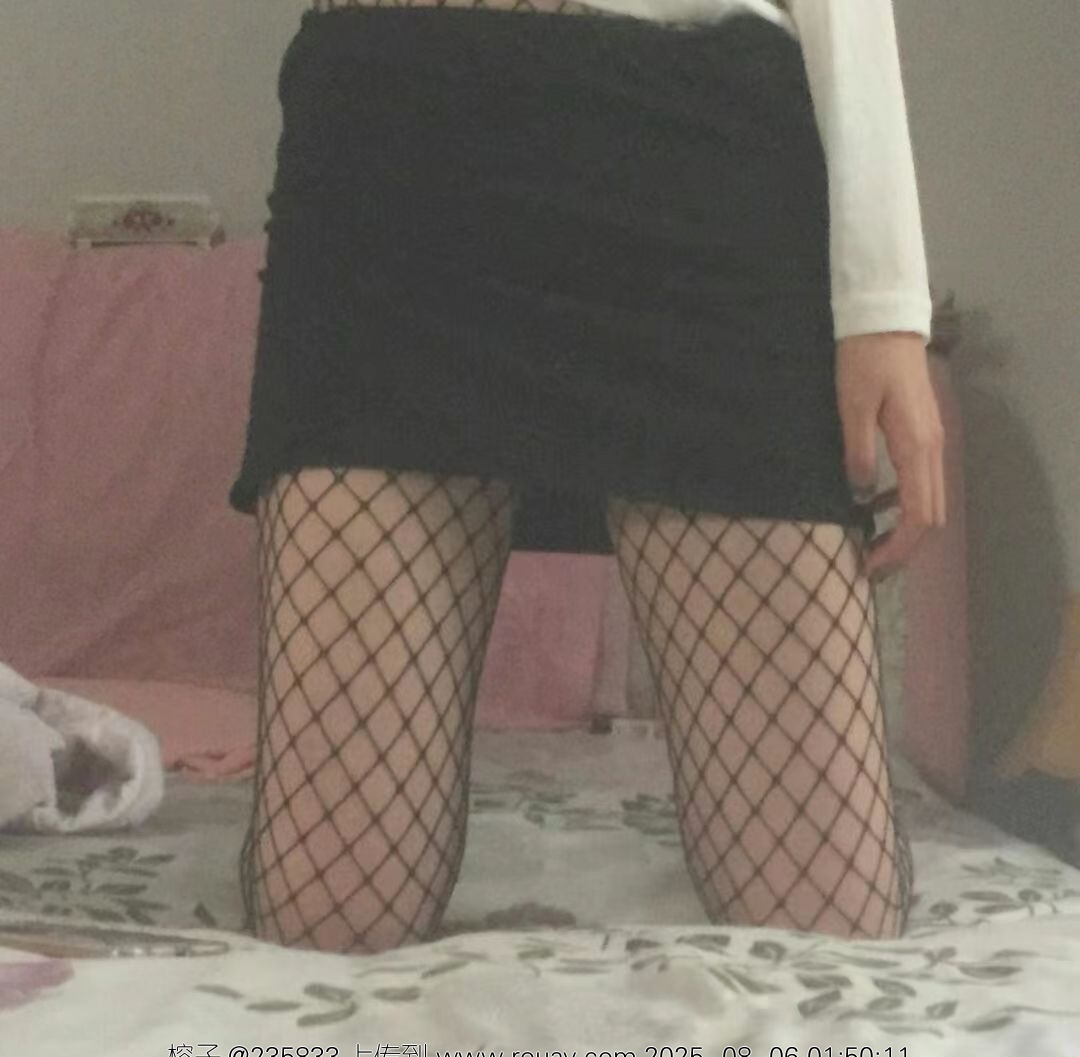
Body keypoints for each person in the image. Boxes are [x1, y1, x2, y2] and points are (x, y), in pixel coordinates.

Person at [229, 0, 944, 953]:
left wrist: (884, 302)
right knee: (328, 911)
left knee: (830, 913)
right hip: (396, 142)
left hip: (694, 148)